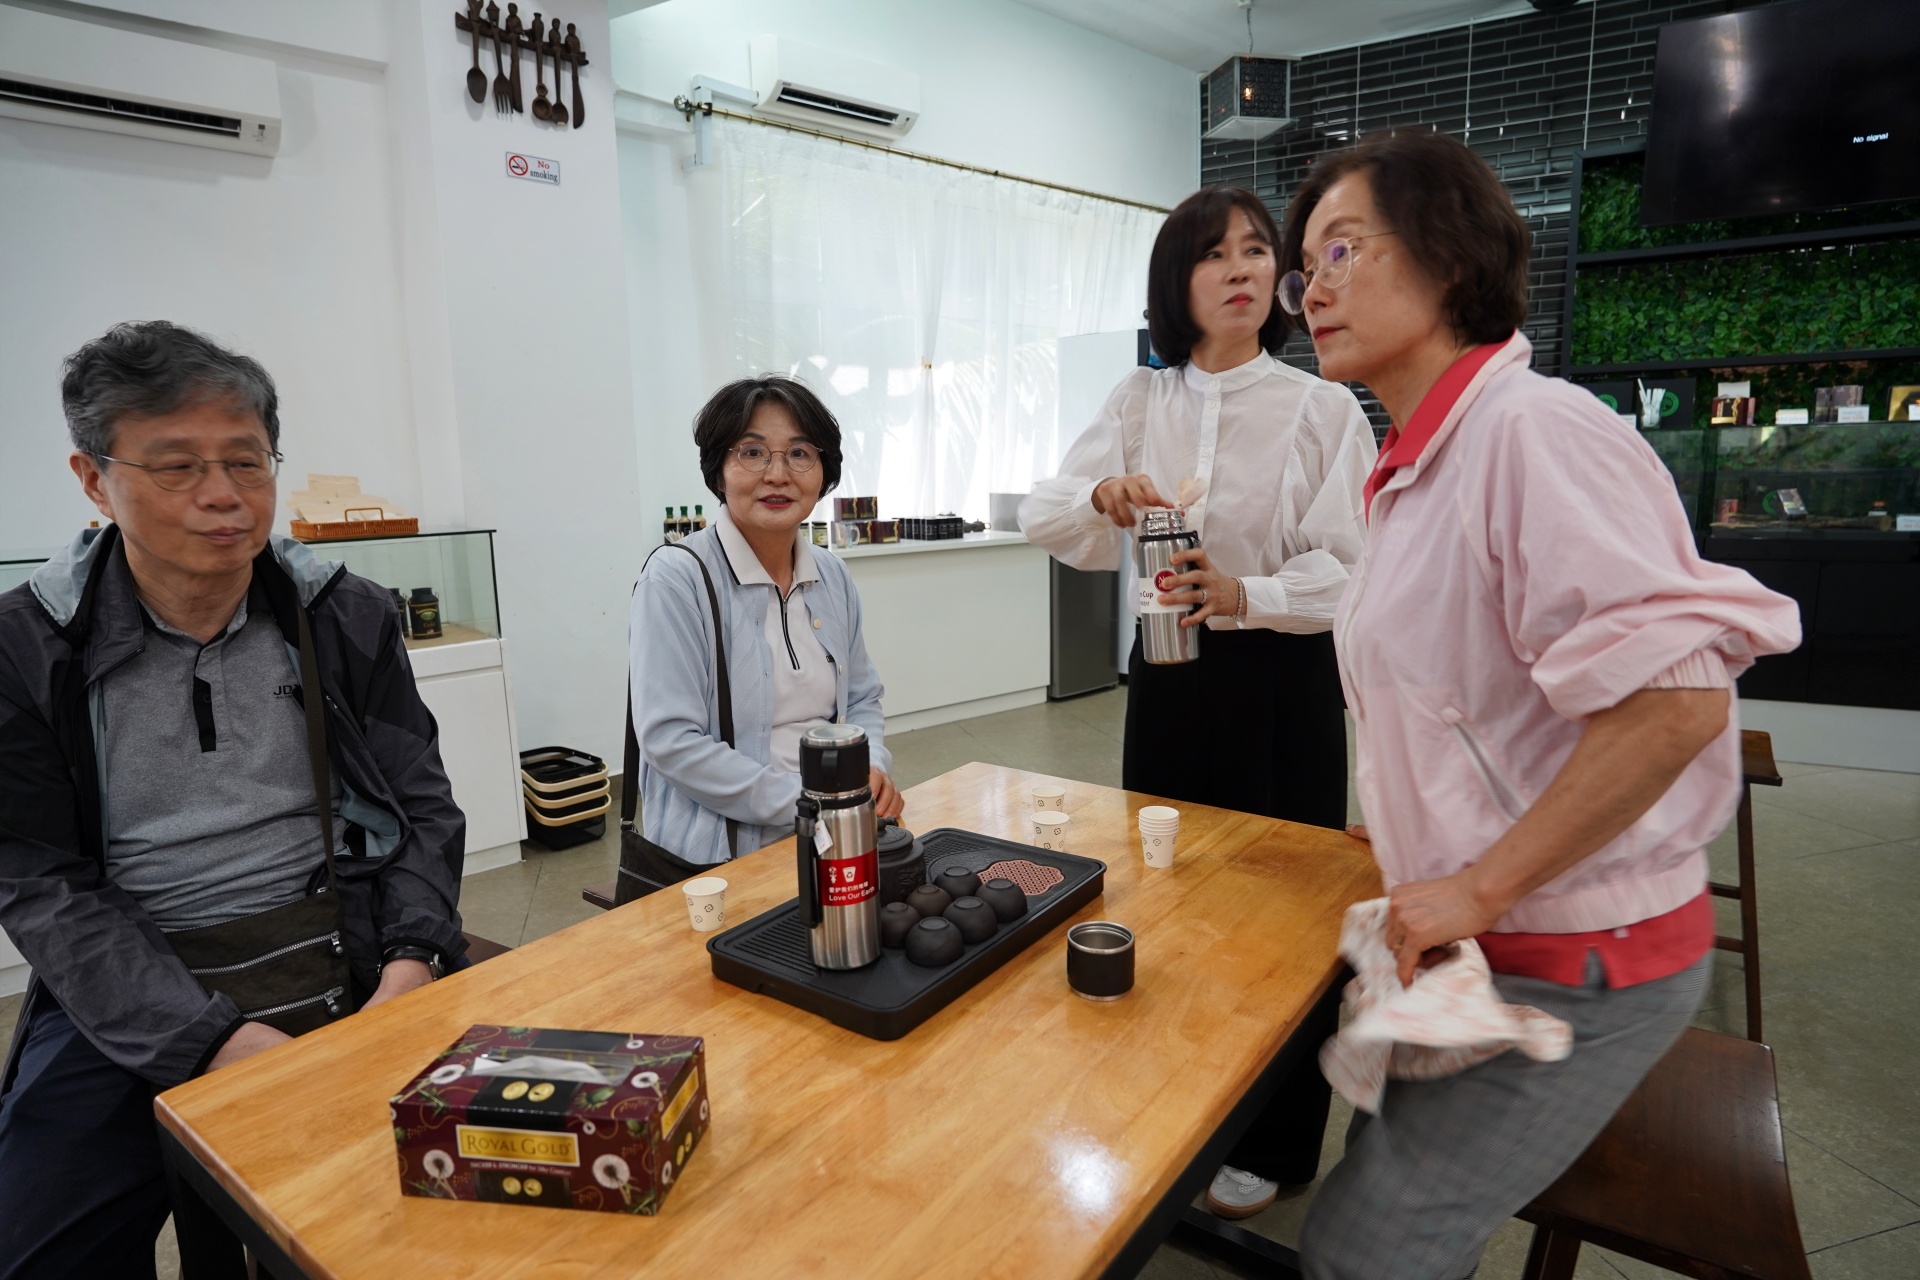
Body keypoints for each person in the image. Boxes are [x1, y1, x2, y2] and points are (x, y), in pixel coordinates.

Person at [1280, 132, 1801, 1279]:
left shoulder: (1532, 430)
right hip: (1474, 938)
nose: (1310, 288)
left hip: (1579, 948)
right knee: (1391, 1187)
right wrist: (1423, 818)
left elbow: (1675, 706)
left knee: (1366, 1247)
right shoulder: (1417, 462)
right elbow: (1469, 689)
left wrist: (1478, 880)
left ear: (1451, 256)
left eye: (1343, 250)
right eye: (1303, 268)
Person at [0, 321, 468, 1277]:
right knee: (38, 1246)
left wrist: (413, 960)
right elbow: (42, 883)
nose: (224, 496)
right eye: (177, 467)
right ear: (94, 480)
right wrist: (206, 1038)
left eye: (247, 462)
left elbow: (420, 806)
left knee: (470, 1195)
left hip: (345, 939)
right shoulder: (30, 647)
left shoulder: (343, 613)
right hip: (138, 968)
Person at [1021, 186, 1378, 1218]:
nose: (1241, 270)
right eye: (1214, 254)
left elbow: (1358, 566)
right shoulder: (1140, 400)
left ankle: (1277, 1137)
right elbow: (1050, 510)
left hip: (1282, 682)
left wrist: (1246, 593)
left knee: (1285, 917)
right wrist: (1102, 496)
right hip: (1169, 678)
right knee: (1165, 893)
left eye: (1257, 251)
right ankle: (1173, 1109)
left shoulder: (1321, 406)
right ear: (1176, 281)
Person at [625, 375, 902, 890]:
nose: (778, 474)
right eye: (752, 452)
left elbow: (863, 699)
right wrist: (807, 800)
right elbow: (670, 741)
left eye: (799, 453)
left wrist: (871, 769)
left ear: (824, 470)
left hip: (834, 834)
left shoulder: (831, 574)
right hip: (720, 860)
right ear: (719, 468)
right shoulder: (678, 579)